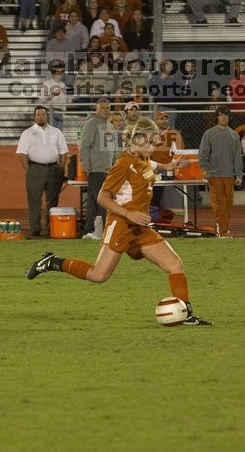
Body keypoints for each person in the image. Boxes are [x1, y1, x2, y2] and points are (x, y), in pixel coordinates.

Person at [26, 117, 212, 326]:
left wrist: (170, 164)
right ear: (137, 140)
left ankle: (186, 314)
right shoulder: (124, 163)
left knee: (175, 264)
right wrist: (128, 214)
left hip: (140, 227)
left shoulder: (143, 161)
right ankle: (53, 262)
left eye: (154, 142)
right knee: (99, 275)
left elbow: (152, 165)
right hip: (122, 224)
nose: (152, 147)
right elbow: (102, 197)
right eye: (150, 142)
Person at [16, 106, 68, 237]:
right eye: (38, 115)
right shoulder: (27, 133)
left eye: (43, 114)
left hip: (53, 169)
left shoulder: (56, 132)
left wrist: (60, 168)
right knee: (34, 201)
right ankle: (35, 229)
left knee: (53, 201)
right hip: (35, 169)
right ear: (34, 117)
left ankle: (52, 228)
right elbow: (22, 154)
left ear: (47, 116)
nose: (41, 117)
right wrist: (29, 170)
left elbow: (63, 152)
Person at [198, 106, 243, 238]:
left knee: (228, 204)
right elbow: (203, 153)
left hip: (229, 175)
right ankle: (222, 231)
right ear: (217, 117)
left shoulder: (234, 135)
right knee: (219, 204)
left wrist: (238, 174)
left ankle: (223, 229)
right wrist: (204, 169)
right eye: (221, 115)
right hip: (214, 174)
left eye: (226, 115)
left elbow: (237, 156)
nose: (224, 118)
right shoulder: (209, 134)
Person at [79, 97, 114, 239]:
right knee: (105, 201)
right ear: (96, 109)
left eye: (107, 108)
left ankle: (92, 230)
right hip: (96, 169)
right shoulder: (92, 123)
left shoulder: (110, 125)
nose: (105, 110)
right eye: (102, 107)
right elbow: (84, 146)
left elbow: (113, 148)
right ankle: (107, 232)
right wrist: (86, 167)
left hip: (108, 169)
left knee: (97, 201)